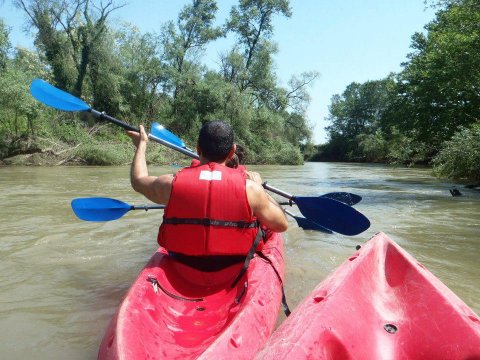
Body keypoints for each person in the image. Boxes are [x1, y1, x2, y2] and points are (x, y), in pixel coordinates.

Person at [126, 120, 288, 270]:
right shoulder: (251, 189)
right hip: (235, 267)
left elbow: (138, 181)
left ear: (198, 148)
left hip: (182, 266)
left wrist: (141, 145)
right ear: (232, 151)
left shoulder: (171, 184)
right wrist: (261, 190)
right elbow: (281, 225)